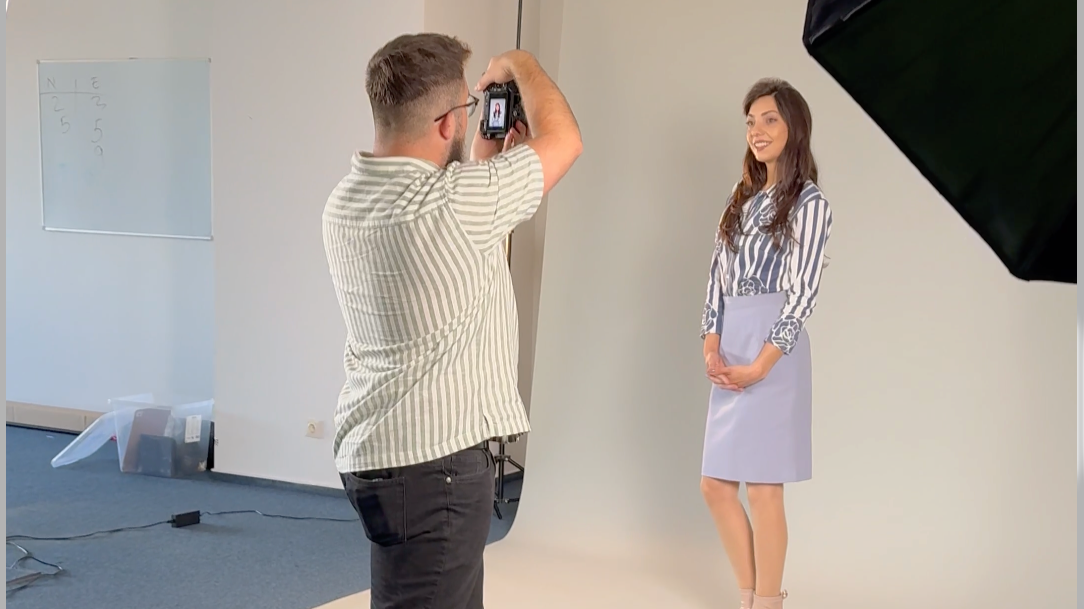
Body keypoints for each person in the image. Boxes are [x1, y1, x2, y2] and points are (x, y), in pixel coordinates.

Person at [321, 33, 581, 609]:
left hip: (383, 458)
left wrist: (486, 149)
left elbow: (460, 225)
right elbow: (565, 140)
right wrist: (520, 63)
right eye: (466, 107)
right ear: (445, 124)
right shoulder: (458, 205)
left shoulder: (346, 202)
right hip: (434, 472)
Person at [698, 77, 833, 609]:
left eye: (769, 119)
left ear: (794, 126)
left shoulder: (809, 202)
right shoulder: (742, 197)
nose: (757, 130)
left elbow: (802, 297)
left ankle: (768, 603)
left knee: (764, 488)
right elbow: (716, 276)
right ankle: (751, 594)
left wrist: (760, 365)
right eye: (751, 121)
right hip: (731, 342)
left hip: (775, 347)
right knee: (715, 485)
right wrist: (711, 343)